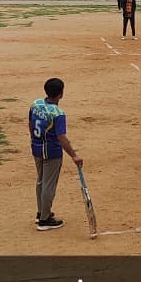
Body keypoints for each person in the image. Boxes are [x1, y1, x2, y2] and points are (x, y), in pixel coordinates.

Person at [28, 77, 83, 230]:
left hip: (36, 148)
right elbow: (61, 137)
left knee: (40, 181)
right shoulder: (58, 113)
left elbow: (30, 124)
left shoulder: (36, 104)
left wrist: (35, 141)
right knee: (48, 185)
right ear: (61, 94)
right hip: (52, 152)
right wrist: (74, 155)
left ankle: (41, 213)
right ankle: (44, 220)